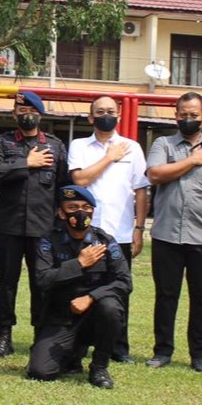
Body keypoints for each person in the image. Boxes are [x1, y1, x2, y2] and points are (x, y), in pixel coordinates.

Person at [145, 92, 202, 372]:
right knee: (166, 295)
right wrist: (193, 161)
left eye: (193, 115)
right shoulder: (164, 143)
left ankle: (199, 354)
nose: (188, 119)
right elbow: (155, 174)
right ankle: (162, 351)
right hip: (166, 235)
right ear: (175, 116)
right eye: (183, 114)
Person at [0, 90, 68, 358]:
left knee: (42, 284)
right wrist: (26, 163)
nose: (26, 115)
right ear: (14, 114)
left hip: (43, 229)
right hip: (10, 227)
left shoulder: (54, 146)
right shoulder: (2, 142)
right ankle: (3, 337)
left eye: (31, 111)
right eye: (21, 111)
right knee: (7, 283)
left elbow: (63, 185)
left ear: (40, 115)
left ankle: (40, 335)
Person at [68, 94, 149, 363]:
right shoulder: (79, 146)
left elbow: (140, 190)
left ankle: (117, 346)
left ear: (119, 115)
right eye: (100, 111)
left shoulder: (132, 147)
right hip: (84, 232)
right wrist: (109, 157)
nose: (106, 115)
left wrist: (139, 228)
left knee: (118, 289)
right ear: (91, 117)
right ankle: (77, 342)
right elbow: (80, 179)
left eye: (111, 111)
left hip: (121, 233)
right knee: (80, 287)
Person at [28, 186, 132, 389]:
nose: (80, 212)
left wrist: (91, 297)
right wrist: (79, 264)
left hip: (95, 316)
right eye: (73, 207)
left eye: (86, 207)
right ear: (61, 212)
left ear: (93, 211)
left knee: (110, 307)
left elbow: (124, 282)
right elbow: (41, 279)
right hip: (61, 318)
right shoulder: (48, 242)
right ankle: (73, 353)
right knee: (40, 372)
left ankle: (99, 367)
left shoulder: (105, 242)